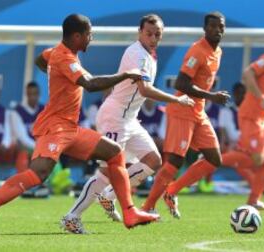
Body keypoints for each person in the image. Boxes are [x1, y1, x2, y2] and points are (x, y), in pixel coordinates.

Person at [0, 14, 159, 236]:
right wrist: (126, 74)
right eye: (89, 34)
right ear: (77, 36)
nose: (91, 38)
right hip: (55, 128)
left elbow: (41, 60)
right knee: (38, 174)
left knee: (115, 152)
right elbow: (90, 84)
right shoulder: (64, 57)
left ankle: (129, 212)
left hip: (70, 127)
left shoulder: (58, 54)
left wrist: (55, 75)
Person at [61, 14, 193, 231]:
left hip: (129, 118)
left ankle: (109, 196)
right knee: (105, 172)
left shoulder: (150, 54)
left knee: (153, 160)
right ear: (139, 32)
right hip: (115, 118)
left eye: (157, 34)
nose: (153, 38)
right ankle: (72, 216)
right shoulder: (137, 54)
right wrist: (176, 99)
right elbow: (145, 90)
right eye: (148, 33)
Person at [158, 26, 264, 216]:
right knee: (255, 159)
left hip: (263, 119)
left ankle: (254, 200)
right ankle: (197, 169)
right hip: (250, 116)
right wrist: (261, 99)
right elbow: (248, 74)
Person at [142, 12, 230, 218]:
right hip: (182, 110)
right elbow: (180, 83)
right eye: (213, 26)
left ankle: (171, 191)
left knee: (213, 159)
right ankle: (147, 207)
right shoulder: (197, 51)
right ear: (205, 28)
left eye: (221, 27)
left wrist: (208, 98)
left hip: (198, 112)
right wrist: (211, 96)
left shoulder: (218, 51)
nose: (217, 30)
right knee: (174, 162)